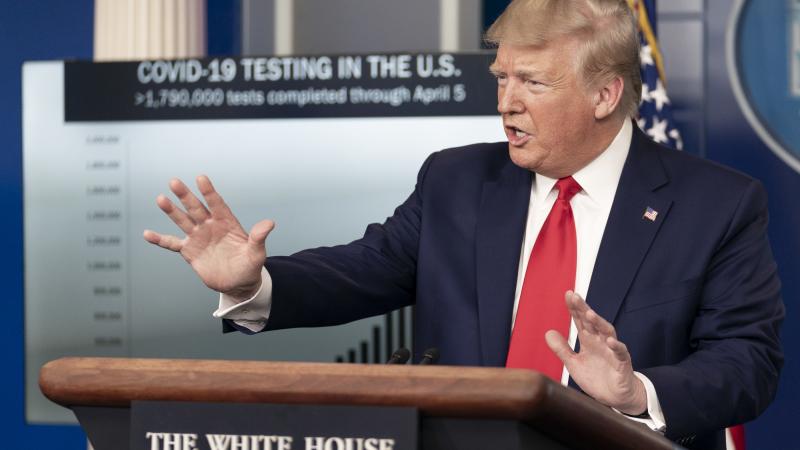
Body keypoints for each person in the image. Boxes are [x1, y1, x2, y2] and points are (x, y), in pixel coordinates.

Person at [143, 1, 784, 448]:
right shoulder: (456, 180)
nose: (506, 102)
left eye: (532, 81)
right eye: (501, 77)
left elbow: (746, 361)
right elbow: (366, 268)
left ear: (605, 95)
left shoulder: (716, 205)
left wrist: (636, 390)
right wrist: (257, 284)